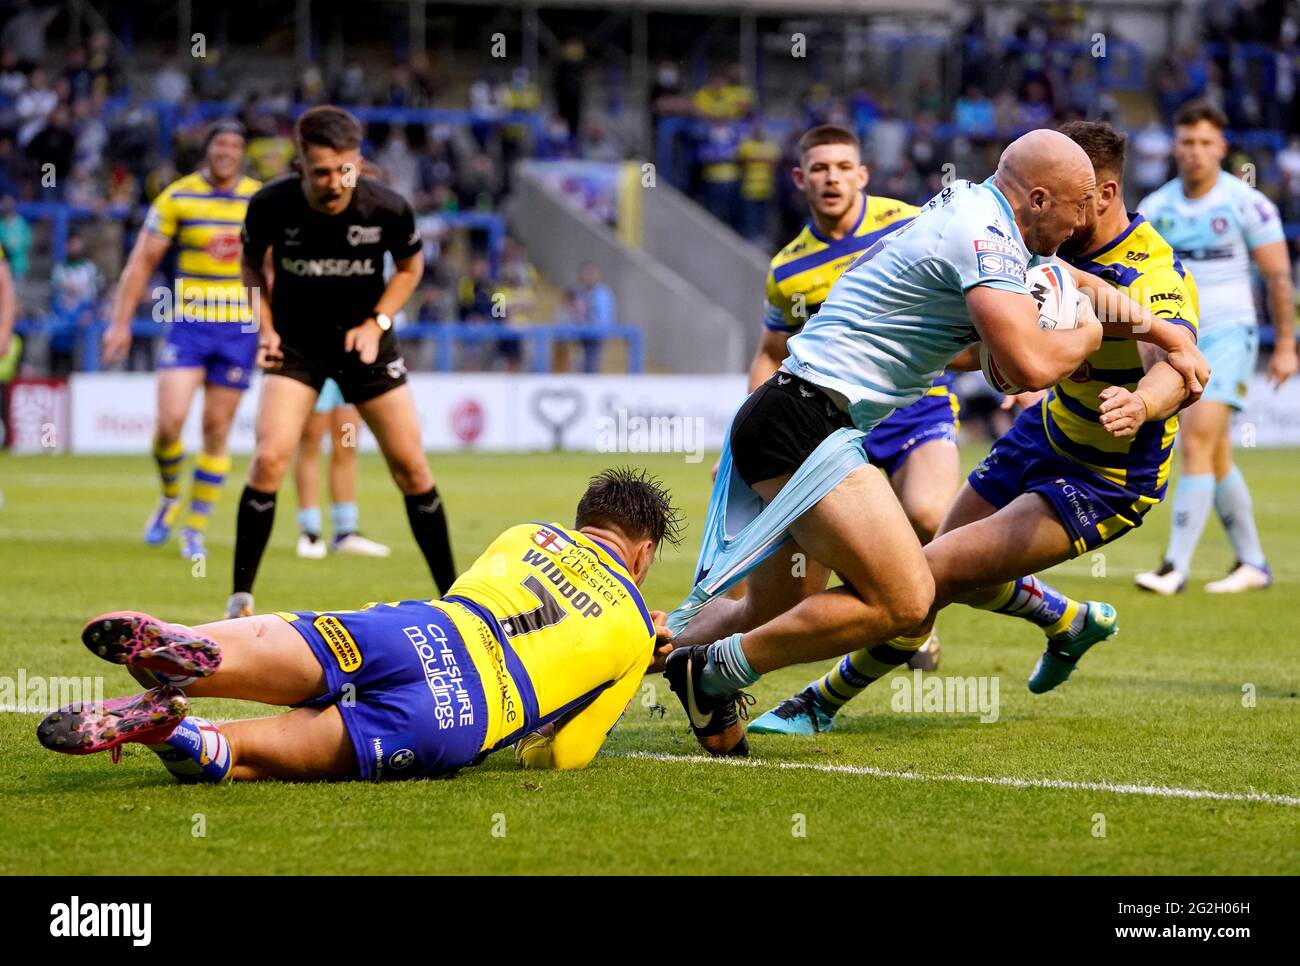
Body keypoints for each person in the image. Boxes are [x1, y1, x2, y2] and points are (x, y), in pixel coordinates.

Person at [660, 129, 1208, 757]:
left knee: (757, 610)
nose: (1081, 223)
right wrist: (1081, 339)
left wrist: (1171, 339)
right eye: (1074, 207)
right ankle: (712, 674)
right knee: (909, 595)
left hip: (796, 417)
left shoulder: (979, 210)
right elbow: (1030, 365)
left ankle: (601, 669)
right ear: (1037, 197)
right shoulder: (985, 237)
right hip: (807, 422)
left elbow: (1072, 286)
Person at [38, 468, 680, 783]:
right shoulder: (631, 626)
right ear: (644, 553)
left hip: (423, 631)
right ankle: (186, 738)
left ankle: (198, 648)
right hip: (462, 713)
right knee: (248, 757)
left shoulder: (525, 534)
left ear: (578, 521)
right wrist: (621, 668)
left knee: (296, 642)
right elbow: (561, 757)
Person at [742, 126, 957, 710]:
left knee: (932, 513)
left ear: (863, 175)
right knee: (793, 584)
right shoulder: (787, 269)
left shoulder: (911, 222)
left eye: (843, 166)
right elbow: (769, 350)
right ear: (799, 179)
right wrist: (742, 428)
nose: (831, 177)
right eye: (819, 168)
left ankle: (915, 611)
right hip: (825, 425)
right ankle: (897, 608)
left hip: (915, 409)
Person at [228, 105, 455, 618]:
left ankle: (455, 598)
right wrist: (262, 328)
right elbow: (250, 266)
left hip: (365, 346)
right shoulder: (269, 205)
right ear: (300, 165)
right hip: (297, 346)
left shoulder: (388, 208)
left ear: (357, 162)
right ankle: (239, 600)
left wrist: (376, 323)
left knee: (412, 469)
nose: (334, 182)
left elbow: (410, 268)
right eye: (321, 172)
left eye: (344, 169)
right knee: (267, 459)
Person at [1134, 100, 1296, 594]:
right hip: (1179, 339)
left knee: (1197, 442)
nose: (1195, 152)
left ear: (1222, 148)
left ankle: (1173, 568)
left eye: (1206, 143)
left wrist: (1286, 344)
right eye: (1186, 142)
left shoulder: (1246, 203)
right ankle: (1253, 563)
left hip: (1230, 334)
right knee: (1218, 454)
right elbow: (1135, 278)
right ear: (1174, 146)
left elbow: (1278, 278)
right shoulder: (1157, 208)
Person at [102, 120, 259, 562]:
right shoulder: (178, 196)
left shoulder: (258, 198)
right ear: (207, 150)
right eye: (220, 143)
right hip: (188, 324)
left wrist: (272, 328)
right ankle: (171, 495)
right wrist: (120, 323)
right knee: (170, 421)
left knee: (216, 430)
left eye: (234, 144)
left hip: (240, 329)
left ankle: (195, 530)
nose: (227, 151)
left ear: (242, 153)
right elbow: (141, 262)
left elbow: (271, 270)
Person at [293, 377, 391, 558]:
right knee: (310, 445)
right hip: (319, 371)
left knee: (347, 446)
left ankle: (345, 532)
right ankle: (310, 532)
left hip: (347, 374)